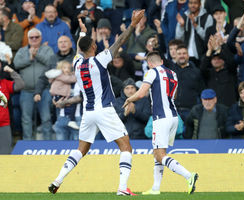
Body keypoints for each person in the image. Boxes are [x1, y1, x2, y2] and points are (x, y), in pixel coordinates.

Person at [48, 10, 145, 196]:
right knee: (126, 146)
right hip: (104, 110)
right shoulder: (99, 60)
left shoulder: (77, 64)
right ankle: (123, 188)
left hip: (88, 112)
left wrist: (83, 32)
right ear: (93, 46)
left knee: (81, 149)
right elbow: (120, 42)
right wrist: (133, 24)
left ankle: (57, 180)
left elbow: (78, 49)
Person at [123, 51, 198, 195]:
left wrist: (129, 100)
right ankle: (156, 188)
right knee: (159, 153)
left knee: (159, 155)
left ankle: (189, 176)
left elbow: (141, 93)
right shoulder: (173, 74)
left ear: (150, 63)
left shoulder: (151, 72)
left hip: (161, 118)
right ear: (162, 61)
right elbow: (174, 95)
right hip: (174, 116)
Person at [13, 28, 55, 140]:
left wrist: (37, 55)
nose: (34, 39)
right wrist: (29, 58)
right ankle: (28, 144)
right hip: (26, 90)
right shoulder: (22, 51)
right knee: (26, 119)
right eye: (32, 37)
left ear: (41, 38)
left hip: (44, 90)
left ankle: (48, 145)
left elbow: (51, 62)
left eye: (37, 37)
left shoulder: (47, 49)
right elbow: (16, 64)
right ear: (28, 39)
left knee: (46, 118)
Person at [175, 0, 213, 66]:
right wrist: (181, 26)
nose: (193, 5)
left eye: (195, 3)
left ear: (200, 4)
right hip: (186, 57)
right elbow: (178, 38)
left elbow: (207, 38)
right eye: (191, 3)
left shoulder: (207, 17)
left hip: (201, 57)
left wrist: (195, 25)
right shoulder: (184, 16)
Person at [46, 60, 78, 130]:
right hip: (59, 95)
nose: (67, 70)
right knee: (69, 105)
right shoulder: (60, 75)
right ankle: (69, 121)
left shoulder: (63, 75)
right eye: (64, 68)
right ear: (60, 69)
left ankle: (66, 121)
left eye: (68, 68)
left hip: (61, 95)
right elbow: (70, 79)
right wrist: (76, 75)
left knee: (68, 105)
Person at [0, 63, 24, 154]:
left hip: (4, 124)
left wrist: (12, 72)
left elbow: (21, 85)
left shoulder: (5, 83)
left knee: (5, 153)